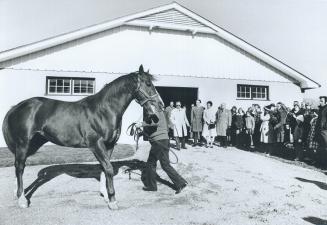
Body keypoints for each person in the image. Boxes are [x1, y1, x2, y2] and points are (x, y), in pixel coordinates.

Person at [136, 103, 187, 194]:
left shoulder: (157, 113)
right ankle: (181, 182)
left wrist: (141, 124)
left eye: (151, 106)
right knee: (163, 164)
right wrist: (142, 132)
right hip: (162, 141)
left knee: (153, 164)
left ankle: (153, 186)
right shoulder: (158, 113)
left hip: (159, 142)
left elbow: (155, 122)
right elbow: (154, 127)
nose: (149, 108)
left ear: (156, 107)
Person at [315, 96, 327, 165]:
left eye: (322, 101)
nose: (320, 102)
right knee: (321, 146)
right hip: (319, 130)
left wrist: (325, 127)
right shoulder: (320, 109)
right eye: (320, 101)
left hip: (325, 130)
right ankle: (321, 162)